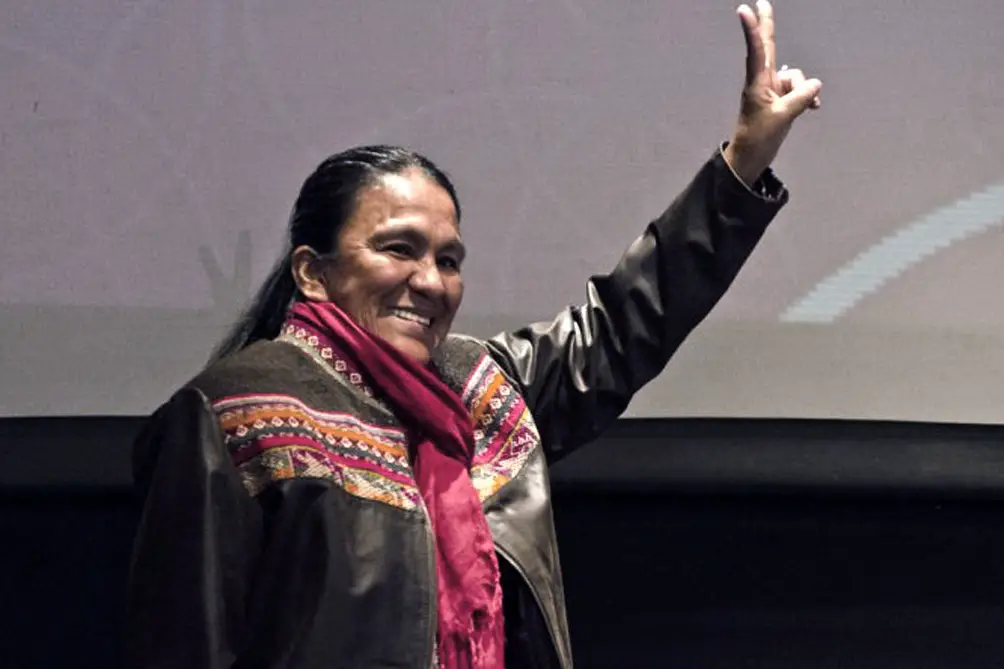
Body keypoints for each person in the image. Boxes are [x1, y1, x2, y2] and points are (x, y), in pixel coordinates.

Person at [124, 2, 822, 667]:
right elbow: (182, 648)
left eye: (449, 260)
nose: (430, 281)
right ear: (312, 271)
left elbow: (624, 322)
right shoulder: (233, 416)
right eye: (399, 249)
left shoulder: (481, 388)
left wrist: (743, 162)